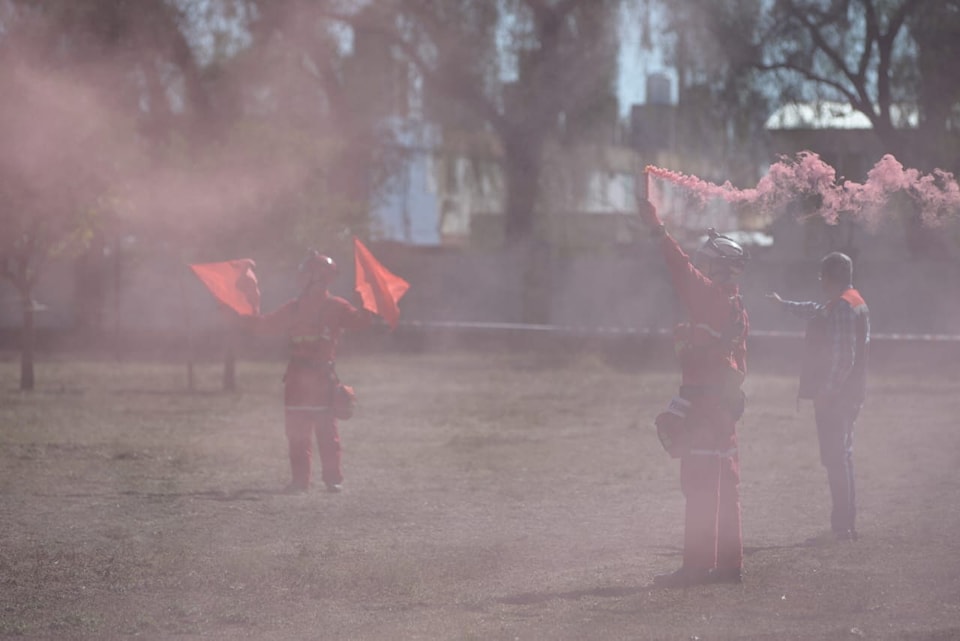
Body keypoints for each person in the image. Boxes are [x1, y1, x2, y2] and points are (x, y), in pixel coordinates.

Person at [635, 199, 750, 588]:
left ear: (718, 269)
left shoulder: (711, 298)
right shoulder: (737, 307)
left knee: (700, 482)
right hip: (723, 406)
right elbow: (741, 365)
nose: (700, 268)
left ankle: (698, 567)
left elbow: (678, 266)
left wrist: (657, 228)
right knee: (725, 481)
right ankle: (728, 565)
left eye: (707, 264)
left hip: (704, 405)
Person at [244, 250, 374, 494]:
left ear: (317, 277)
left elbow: (362, 322)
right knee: (303, 432)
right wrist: (245, 309)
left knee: (318, 432)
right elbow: (264, 326)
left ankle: (320, 480)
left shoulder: (333, 307)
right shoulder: (297, 308)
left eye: (305, 274)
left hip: (316, 379)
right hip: (301, 379)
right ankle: (308, 481)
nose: (300, 278)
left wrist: (366, 298)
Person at [766, 252, 869, 541]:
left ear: (829, 277)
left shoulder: (843, 308)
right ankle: (845, 524)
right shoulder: (849, 301)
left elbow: (843, 358)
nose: (820, 282)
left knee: (836, 458)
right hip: (849, 394)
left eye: (823, 277)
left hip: (838, 396)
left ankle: (842, 527)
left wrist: (826, 392)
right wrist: (783, 304)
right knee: (842, 456)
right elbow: (816, 310)